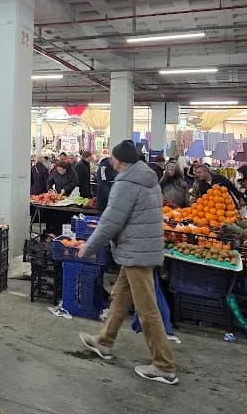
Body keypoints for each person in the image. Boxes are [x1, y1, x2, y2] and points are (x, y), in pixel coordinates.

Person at [78, 140, 177, 385]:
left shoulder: (126, 184)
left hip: (136, 252)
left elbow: (110, 222)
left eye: (112, 158)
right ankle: (105, 341)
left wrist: (88, 248)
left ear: (119, 161)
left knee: (147, 310)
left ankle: (164, 366)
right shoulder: (148, 178)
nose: (111, 161)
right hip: (138, 248)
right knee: (119, 298)